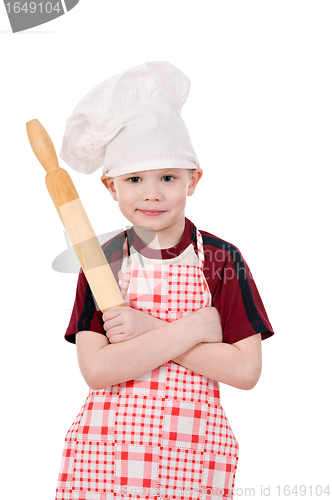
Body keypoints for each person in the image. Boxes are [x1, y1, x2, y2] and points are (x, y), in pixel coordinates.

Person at [55, 61, 274, 500]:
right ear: (110, 187)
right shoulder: (102, 261)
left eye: (168, 177)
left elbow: (245, 371)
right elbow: (97, 371)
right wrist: (196, 327)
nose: (151, 193)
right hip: (105, 457)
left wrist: (147, 329)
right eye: (134, 179)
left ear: (194, 180)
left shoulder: (220, 259)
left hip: (194, 455)